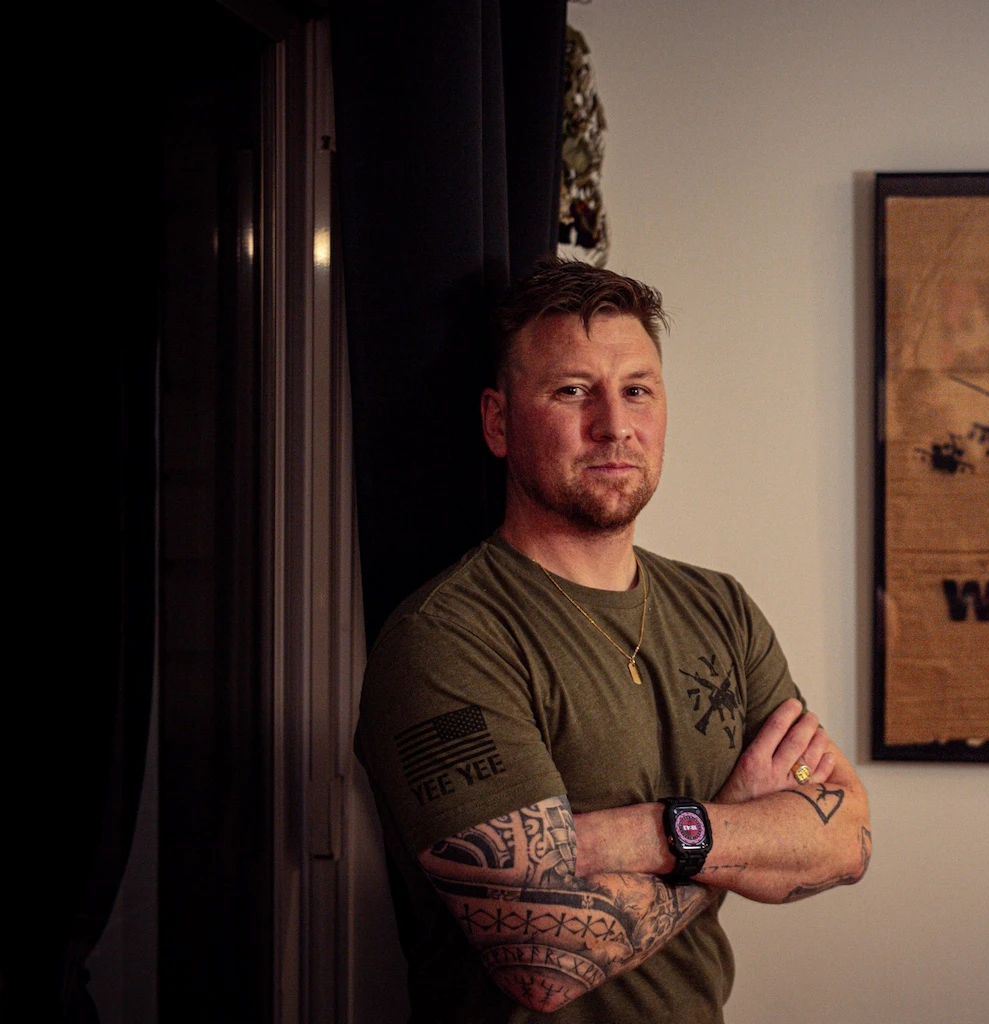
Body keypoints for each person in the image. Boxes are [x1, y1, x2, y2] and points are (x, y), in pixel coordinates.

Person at [354, 257, 871, 1023]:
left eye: (637, 390)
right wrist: (734, 823)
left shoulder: (721, 609)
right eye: (572, 391)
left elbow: (845, 838)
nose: (615, 425)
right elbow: (540, 960)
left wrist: (654, 835)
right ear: (498, 422)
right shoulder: (445, 640)